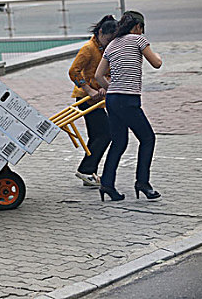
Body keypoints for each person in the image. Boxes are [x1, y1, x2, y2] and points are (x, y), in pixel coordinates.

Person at [95, 11, 163, 201]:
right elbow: (156, 63)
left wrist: (113, 88)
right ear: (138, 27)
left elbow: (98, 77)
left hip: (113, 99)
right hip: (128, 100)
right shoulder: (138, 40)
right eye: (141, 29)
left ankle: (107, 184)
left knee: (119, 142)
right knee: (147, 138)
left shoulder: (112, 44)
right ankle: (143, 182)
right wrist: (156, 54)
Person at [68, 15, 117, 187]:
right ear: (100, 32)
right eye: (107, 39)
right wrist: (89, 90)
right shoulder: (88, 48)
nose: (108, 43)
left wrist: (104, 86)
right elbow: (74, 71)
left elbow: (107, 73)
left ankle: (89, 172)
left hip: (96, 99)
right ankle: (86, 170)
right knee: (105, 134)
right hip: (84, 98)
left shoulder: (106, 51)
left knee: (97, 136)